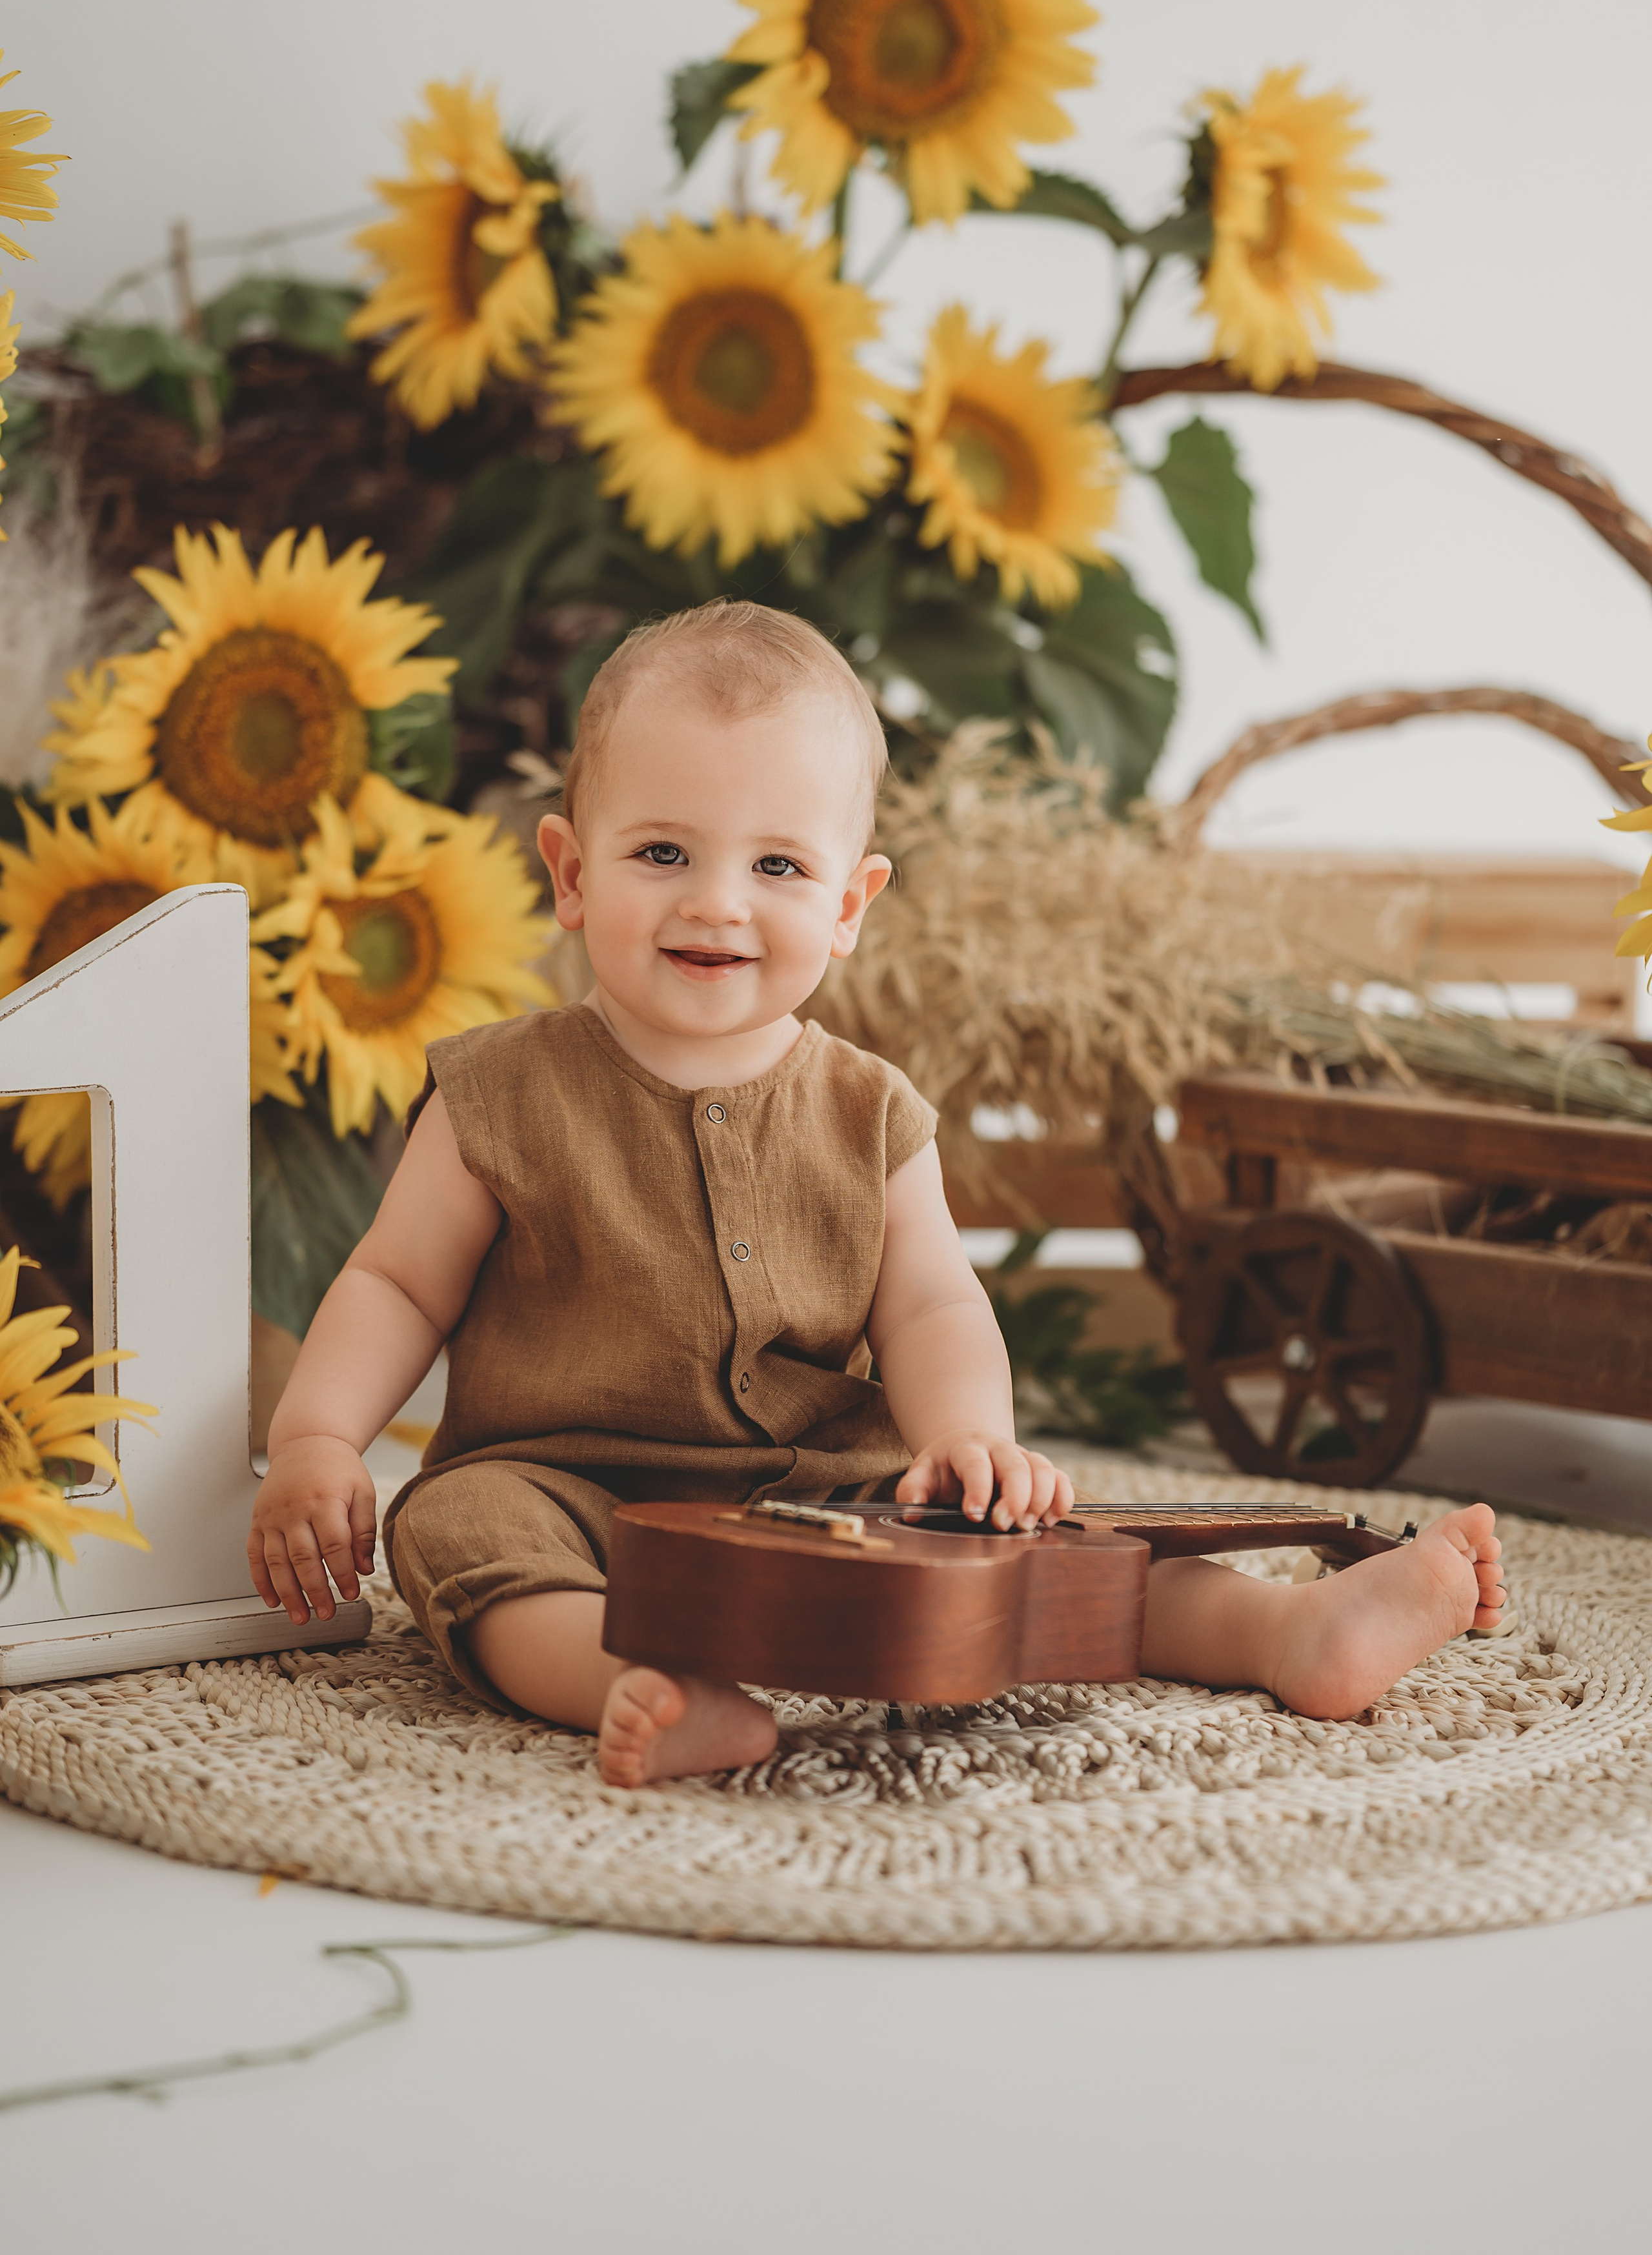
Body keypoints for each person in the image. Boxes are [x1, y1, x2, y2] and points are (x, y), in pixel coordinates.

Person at [248, 602, 1505, 1786]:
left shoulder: (870, 1111)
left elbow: (928, 1308)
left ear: (849, 905)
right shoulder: (498, 1094)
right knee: (455, 1533)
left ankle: (1279, 1635)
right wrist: (316, 1438)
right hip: (557, 1481)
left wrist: (969, 1434)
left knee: (1025, 1556)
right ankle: (641, 1679)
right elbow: (395, 1279)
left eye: (779, 864)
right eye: (662, 850)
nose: (716, 900)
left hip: (821, 1481)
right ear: (571, 873)